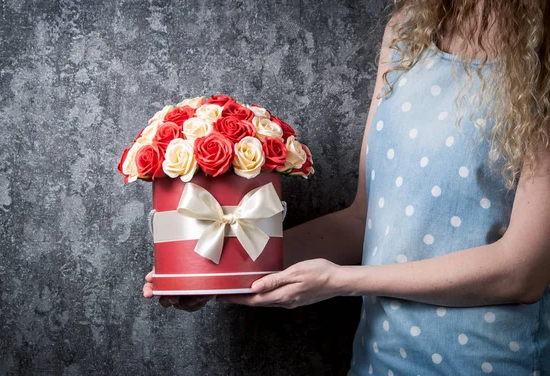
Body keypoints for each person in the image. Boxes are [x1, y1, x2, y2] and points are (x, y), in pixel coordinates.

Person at [144, 0, 550, 374]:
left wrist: (342, 281)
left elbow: (521, 272)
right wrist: (215, 270)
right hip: (380, 359)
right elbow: (362, 220)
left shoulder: (543, 53)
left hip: (490, 362)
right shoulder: (408, 29)